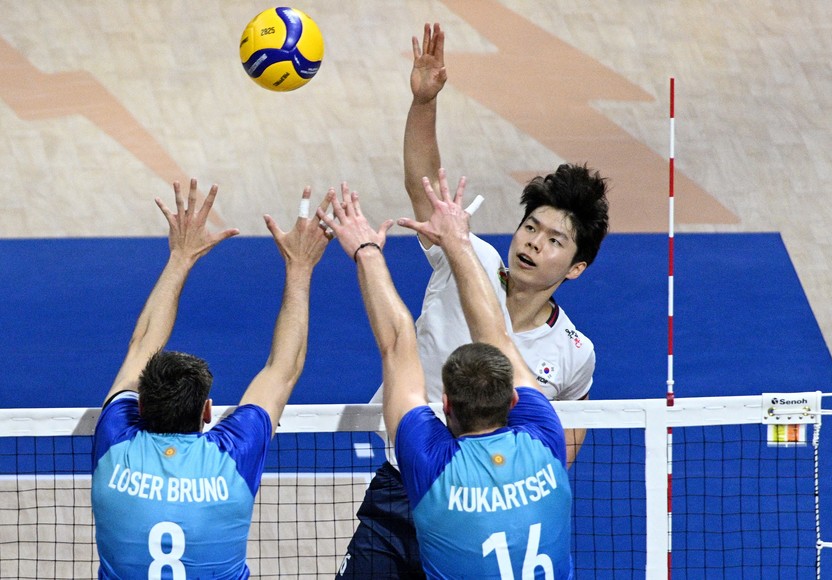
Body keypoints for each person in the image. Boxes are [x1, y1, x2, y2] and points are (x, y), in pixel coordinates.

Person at [338, 23, 609, 578]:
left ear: (577, 267)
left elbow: (559, 452)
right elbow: (422, 184)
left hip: (481, 513)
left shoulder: (574, 352)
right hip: (402, 484)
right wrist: (423, 102)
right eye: (531, 227)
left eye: (555, 241)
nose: (534, 244)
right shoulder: (470, 257)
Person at [322, 173, 573, 579]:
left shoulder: (432, 465)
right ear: (514, 401)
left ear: (445, 407)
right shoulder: (545, 440)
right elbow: (498, 337)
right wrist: (458, 242)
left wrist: (367, 252)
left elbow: (397, 343)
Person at [91, 179, 332, 579]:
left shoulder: (116, 443)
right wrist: (300, 267)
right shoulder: (232, 455)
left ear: (142, 406)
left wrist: (180, 257)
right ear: (207, 412)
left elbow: (141, 345)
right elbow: (283, 368)